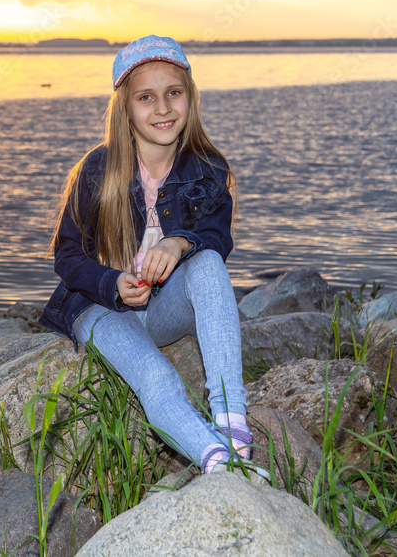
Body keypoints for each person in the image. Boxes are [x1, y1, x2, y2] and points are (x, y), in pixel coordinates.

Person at [37, 35, 260, 476]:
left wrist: (177, 243)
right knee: (157, 378)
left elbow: (217, 236)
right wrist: (110, 282)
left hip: (163, 310)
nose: (162, 108)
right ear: (126, 108)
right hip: (101, 309)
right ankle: (218, 461)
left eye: (173, 93)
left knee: (208, 261)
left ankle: (232, 421)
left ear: (189, 98)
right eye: (146, 97)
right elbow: (66, 254)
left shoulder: (208, 167)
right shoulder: (98, 170)